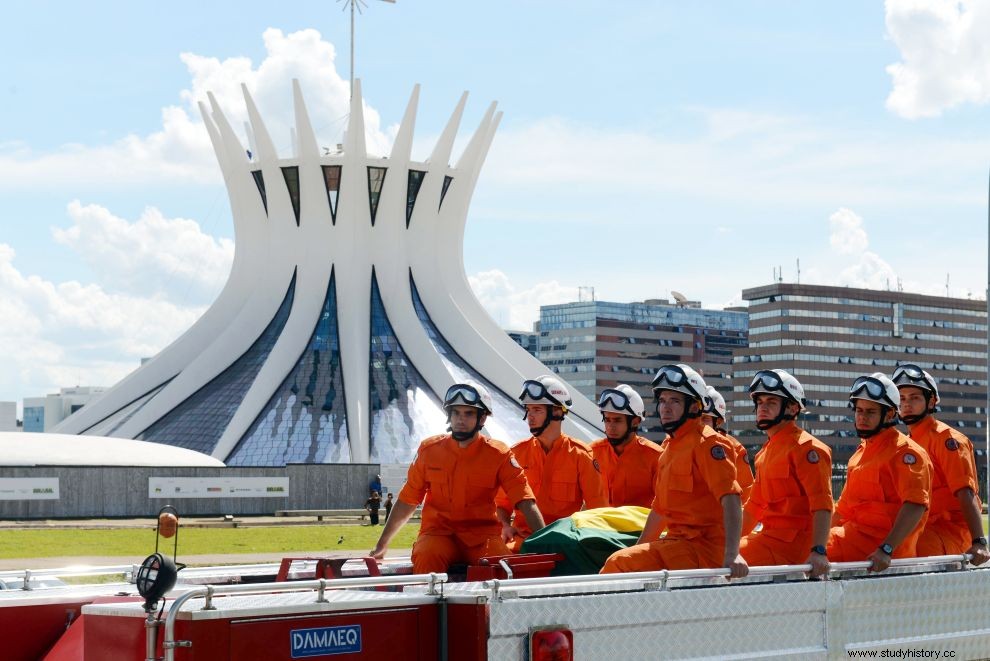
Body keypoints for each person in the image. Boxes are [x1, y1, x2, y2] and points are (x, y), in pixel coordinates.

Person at [370, 381, 545, 573]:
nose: (460, 419)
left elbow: (525, 500)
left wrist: (547, 543)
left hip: (482, 538)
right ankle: (428, 604)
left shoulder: (499, 454)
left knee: (501, 567)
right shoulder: (429, 450)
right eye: (456, 413)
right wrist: (382, 545)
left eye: (469, 413)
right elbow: (407, 500)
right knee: (426, 557)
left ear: (482, 418)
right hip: (438, 535)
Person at [601, 364, 748, 578]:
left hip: (703, 552)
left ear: (694, 407)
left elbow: (732, 499)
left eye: (675, 401)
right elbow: (660, 510)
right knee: (622, 560)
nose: (665, 408)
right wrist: (636, 549)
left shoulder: (708, 444)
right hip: (677, 546)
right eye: (662, 401)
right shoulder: (669, 448)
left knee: (619, 564)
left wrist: (733, 554)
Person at [827, 373, 932, 571]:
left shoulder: (906, 452)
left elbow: (916, 505)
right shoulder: (860, 454)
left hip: (879, 549)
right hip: (851, 538)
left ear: (891, 414)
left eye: (870, 412)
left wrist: (886, 549)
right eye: (859, 410)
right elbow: (842, 510)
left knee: (799, 553)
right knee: (804, 546)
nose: (862, 417)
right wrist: (817, 538)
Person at [738, 370, 833, 577]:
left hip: (793, 547)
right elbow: (754, 507)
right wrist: (725, 541)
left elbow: (823, 505)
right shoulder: (765, 452)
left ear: (792, 407)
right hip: (768, 540)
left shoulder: (808, 449)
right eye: (760, 402)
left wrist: (818, 551)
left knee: (716, 561)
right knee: (716, 554)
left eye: (771, 402)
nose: (762, 407)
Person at [497, 375, 607, 551]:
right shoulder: (516, 453)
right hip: (523, 541)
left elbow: (598, 510)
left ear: (557, 412)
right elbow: (501, 505)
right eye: (529, 409)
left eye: (537, 410)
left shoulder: (581, 455)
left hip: (565, 542)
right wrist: (504, 525)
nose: (529, 417)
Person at [892, 364, 988, 564]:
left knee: (906, 546)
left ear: (931, 402)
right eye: (901, 399)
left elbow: (966, 492)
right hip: (920, 528)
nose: (907, 404)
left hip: (949, 533)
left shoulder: (948, 439)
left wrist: (979, 541)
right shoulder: (904, 444)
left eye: (915, 397)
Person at [590, 384, 662, 508]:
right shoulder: (591, 453)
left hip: (640, 527)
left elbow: (664, 506)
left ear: (635, 421)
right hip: (599, 526)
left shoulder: (656, 457)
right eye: (607, 420)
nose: (610, 427)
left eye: (617, 420)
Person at [701, 385, 755, 503]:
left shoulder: (735, 449)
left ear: (718, 421)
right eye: (696, 418)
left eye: (705, 419)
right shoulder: (675, 445)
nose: (699, 424)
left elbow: (746, 495)